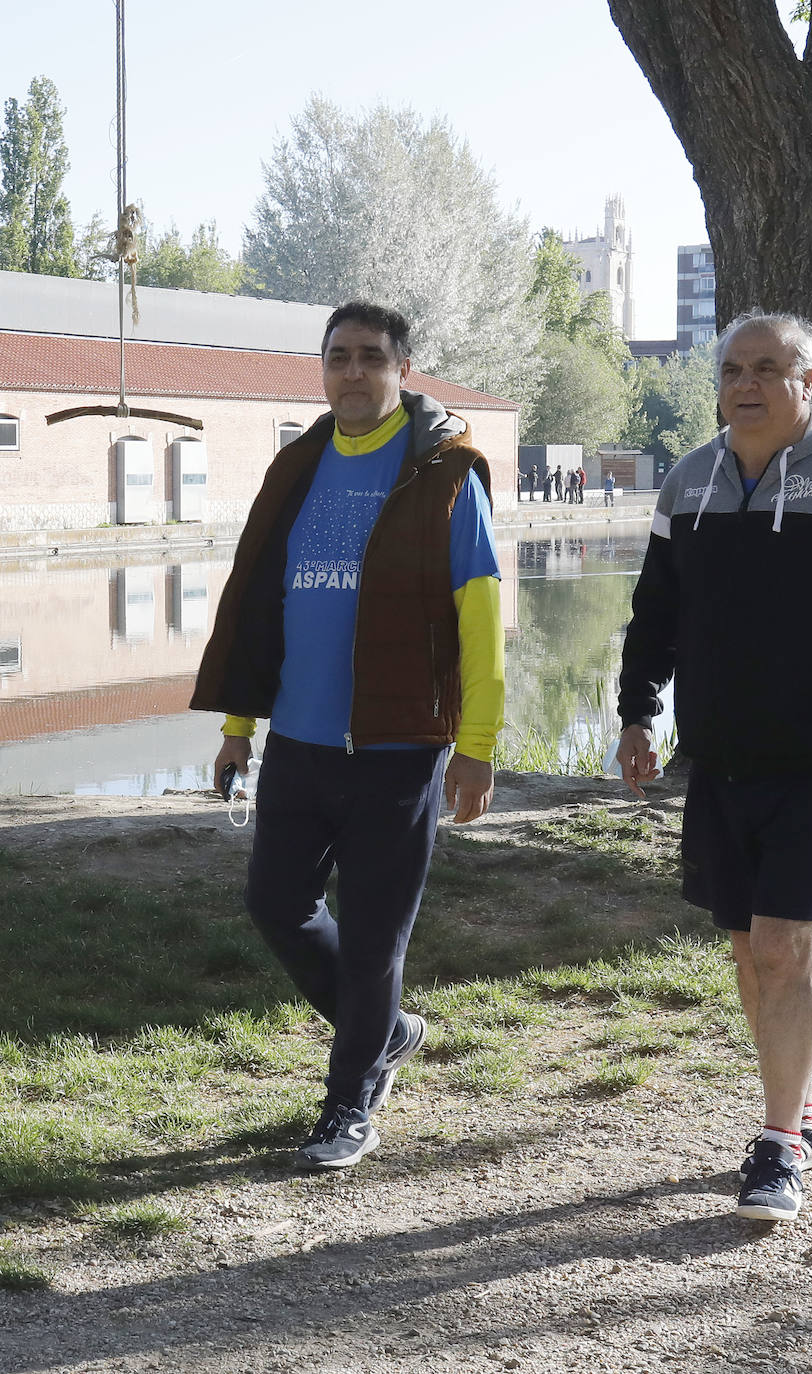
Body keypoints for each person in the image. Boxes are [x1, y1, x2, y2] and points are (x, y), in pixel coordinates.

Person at [615, 311, 812, 1223]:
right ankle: (798, 1110)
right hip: (715, 758)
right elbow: (654, 616)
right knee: (746, 951)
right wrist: (637, 711)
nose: (745, 385)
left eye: (766, 368)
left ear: (808, 382)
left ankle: (776, 1143)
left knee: (779, 945)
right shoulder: (689, 480)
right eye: (731, 370)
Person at [191, 300, 504, 1171]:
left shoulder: (443, 474)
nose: (354, 372)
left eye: (372, 357)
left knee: (373, 939)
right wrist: (238, 727)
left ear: (404, 370)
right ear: (322, 369)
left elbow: (480, 619)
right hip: (298, 740)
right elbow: (259, 605)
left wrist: (476, 744)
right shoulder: (298, 465)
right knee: (274, 904)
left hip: (399, 748)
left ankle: (349, 1102)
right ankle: (388, 1031)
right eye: (340, 357)